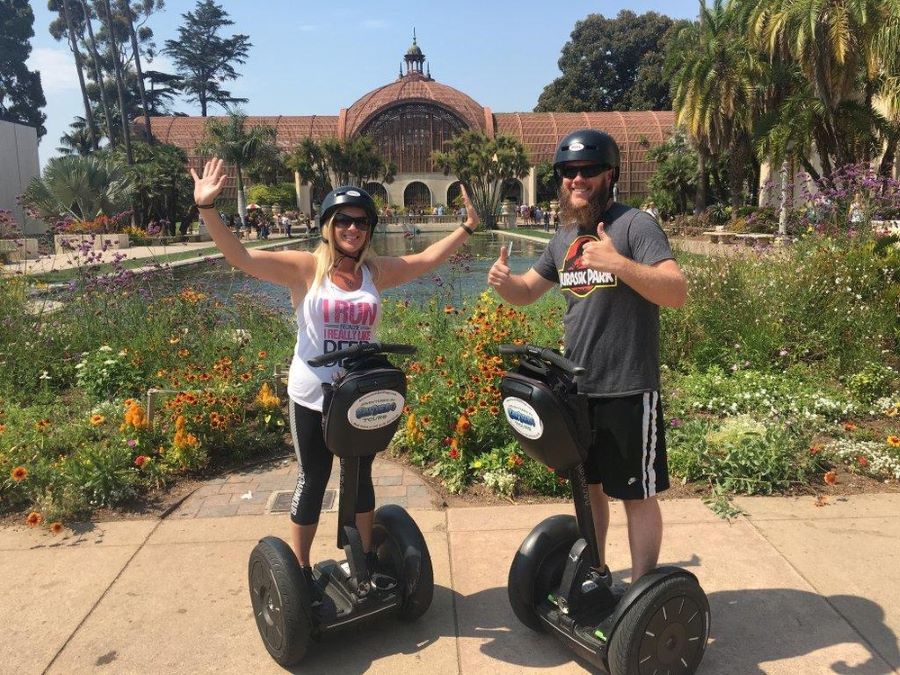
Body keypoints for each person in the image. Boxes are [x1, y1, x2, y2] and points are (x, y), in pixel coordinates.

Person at [191, 157, 480, 595]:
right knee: (314, 478)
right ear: (329, 225)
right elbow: (241, 256)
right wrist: (208, 210)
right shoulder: (305, 268)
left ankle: (362, 561)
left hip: (358, 395)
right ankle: (300, 574)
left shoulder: (374, 272)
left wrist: (467, 228)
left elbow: (424, 259)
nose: (352, 228)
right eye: (343, 220)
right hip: (312, 393)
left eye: (361, 221)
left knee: (362, 476)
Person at [487, 129, 687, 584]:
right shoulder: (563, 238)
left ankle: (641, 594)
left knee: (636, 495)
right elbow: (527, 292)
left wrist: (618, 263)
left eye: (589, 171)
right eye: (569, 172)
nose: (578, 179)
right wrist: (505, 282)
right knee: (590, 488)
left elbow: (675, 292)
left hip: (629, 386)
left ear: (609, 174)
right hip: (578, 388)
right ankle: (596, 572)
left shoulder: (636, 225)